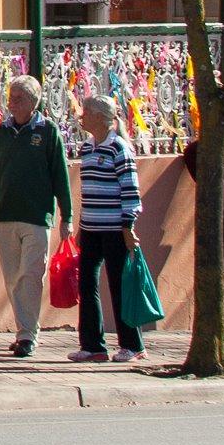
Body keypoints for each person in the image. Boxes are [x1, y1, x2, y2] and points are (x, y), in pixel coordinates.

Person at [0, 75, 71, 358]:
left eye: (18, 98)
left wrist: (66, 215)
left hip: (36, 216)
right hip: (4, 216)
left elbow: (60, 175)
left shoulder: (48, 132)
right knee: (12, 277)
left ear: (34, 102)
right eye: (10, 97)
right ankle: (24, 329)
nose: (12, 103)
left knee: (31, 275)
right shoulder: (2, 133)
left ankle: (28, 335)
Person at [68, 93, 145, 363]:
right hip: (91, 227)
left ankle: (132, 344)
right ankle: (92, 344)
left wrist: (128, 226)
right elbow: (88, 191)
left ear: (101, 118)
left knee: (118, 284)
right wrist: (81, 225)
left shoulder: (119, 148)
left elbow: (130, 190)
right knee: (87, 284)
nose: (81, 116)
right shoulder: (87, 148)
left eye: (86, 112)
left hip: (114, 228)